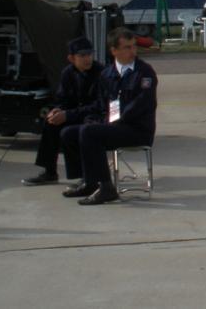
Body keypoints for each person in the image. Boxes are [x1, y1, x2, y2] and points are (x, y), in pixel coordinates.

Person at [60, 28, 158, 205]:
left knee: (89, 133)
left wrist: (115, 121)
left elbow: (142, 104)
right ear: (114, 50)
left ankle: (106, 188)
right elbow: (101, 104)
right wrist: (94, 119)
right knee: (69, 133)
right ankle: (89, 181)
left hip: (137, 129)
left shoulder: (144, 72)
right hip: (115, 126)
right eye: (127, 47)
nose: (133, 51)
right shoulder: (107, 74)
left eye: (134, 47)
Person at [21, 37, 104, 186]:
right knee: (51, 123)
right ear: (71, 58)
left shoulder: (101, 73)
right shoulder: (68, 73)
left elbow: (99, 105)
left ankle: (84, 176)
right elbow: (62, 98)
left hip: (93, 116)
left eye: (89, 54)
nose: (87, 59)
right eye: (82, 55)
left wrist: (67, 115)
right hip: (74, 114)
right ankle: (49, 171)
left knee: (77, 131)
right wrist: (57, 110)